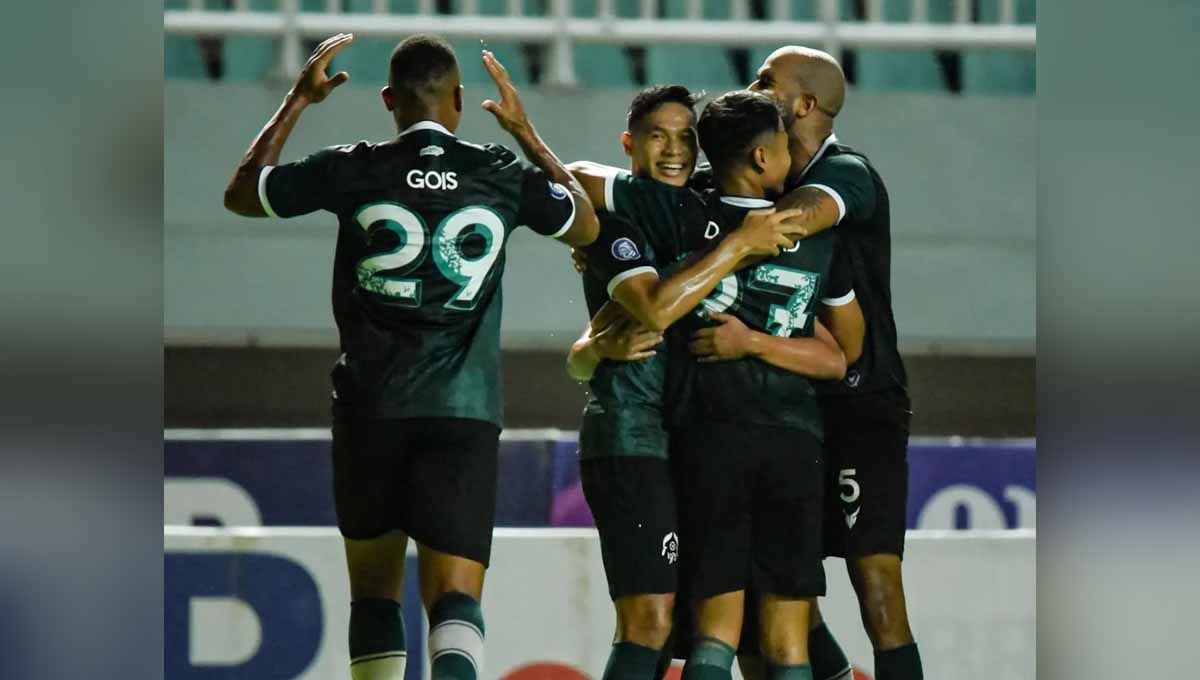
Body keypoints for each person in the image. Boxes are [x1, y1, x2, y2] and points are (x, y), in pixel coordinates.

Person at [222, 34, 599, 680]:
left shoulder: (354, 166)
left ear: (389, 100)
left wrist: (296, 102)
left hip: (372, 408)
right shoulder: (500, 173)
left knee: (374, 594)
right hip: (464, 411)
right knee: (455, 598)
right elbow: (586, 224)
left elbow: (244, 193)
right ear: (459, 99)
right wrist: (527, 133)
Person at [562, 85, 808, 680]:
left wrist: (586, 354)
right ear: (629, 144)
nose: (673, 150)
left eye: (685, 138)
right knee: (649, 620)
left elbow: (585, 350)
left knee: (694, 626)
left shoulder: (700, 208)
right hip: (631, 436)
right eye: (656, 136)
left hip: (690, 440)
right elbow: (648, 310)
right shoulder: (610, 218)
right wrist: (590, 352)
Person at [733, 46, 922, 680]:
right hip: (787, 403)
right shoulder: (760, 176)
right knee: (777, 587)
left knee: (876, 584)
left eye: (767, 81)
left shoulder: (848, 173)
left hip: (860, 401)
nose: (754, 87)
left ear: (805, 104)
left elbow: (799, 219)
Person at [664, 90, 863, 680]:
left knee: (716, 632)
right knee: (788, 640)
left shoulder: (682, 221)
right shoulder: (818, 238)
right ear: (759, 159)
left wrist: (744, 342)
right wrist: (769, 344)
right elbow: (842, 352)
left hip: (710, 437)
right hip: (792, 443)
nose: (791, 163)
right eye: (782, 149)